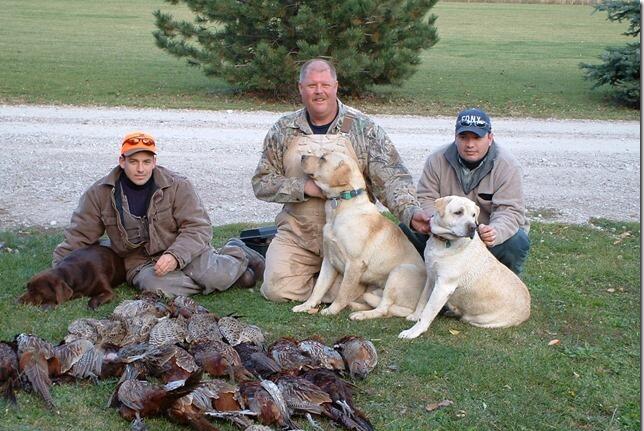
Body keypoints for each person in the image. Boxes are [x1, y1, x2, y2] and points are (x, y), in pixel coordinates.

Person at [251, 58, 429, 302]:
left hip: (351, 239)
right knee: (275, 289)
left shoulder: (363, 128)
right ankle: (344, 290)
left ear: (336, 86)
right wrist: (305, 187)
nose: (319, 91)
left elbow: (392, 178)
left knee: (354, 272)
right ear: (300, 88)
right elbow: (262, 182)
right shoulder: (283, 129)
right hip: (297, 235)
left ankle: (340, 286)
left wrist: (411, 212)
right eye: (312, 85)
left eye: (325, 84)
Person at [53, 131, 265, 296]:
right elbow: (79, 236)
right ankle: (229, 277)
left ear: (154, 162)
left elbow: (198, 227)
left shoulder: (178, 185)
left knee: (214, 277)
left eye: (146, 162)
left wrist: (175, 256)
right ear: (122, 161)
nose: (140, 169)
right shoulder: (99, 193)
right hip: (141, 261)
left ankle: (237, 252)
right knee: (156, 288)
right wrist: (59, 272)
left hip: (183, 248)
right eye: (133, 162)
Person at [413, 108, 530, 275]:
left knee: (516, 241)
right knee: (409, 227)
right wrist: (437, 223)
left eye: (477, 137)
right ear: (455, 137)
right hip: (446, 231)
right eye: (463, 137)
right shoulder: (437, 159)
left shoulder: (508, 166)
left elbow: (510, 211)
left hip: (481, 236)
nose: (470, 145)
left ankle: (503, 291)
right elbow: (425, 197)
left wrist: (494, 231)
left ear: (490, 138)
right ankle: (423, 280)